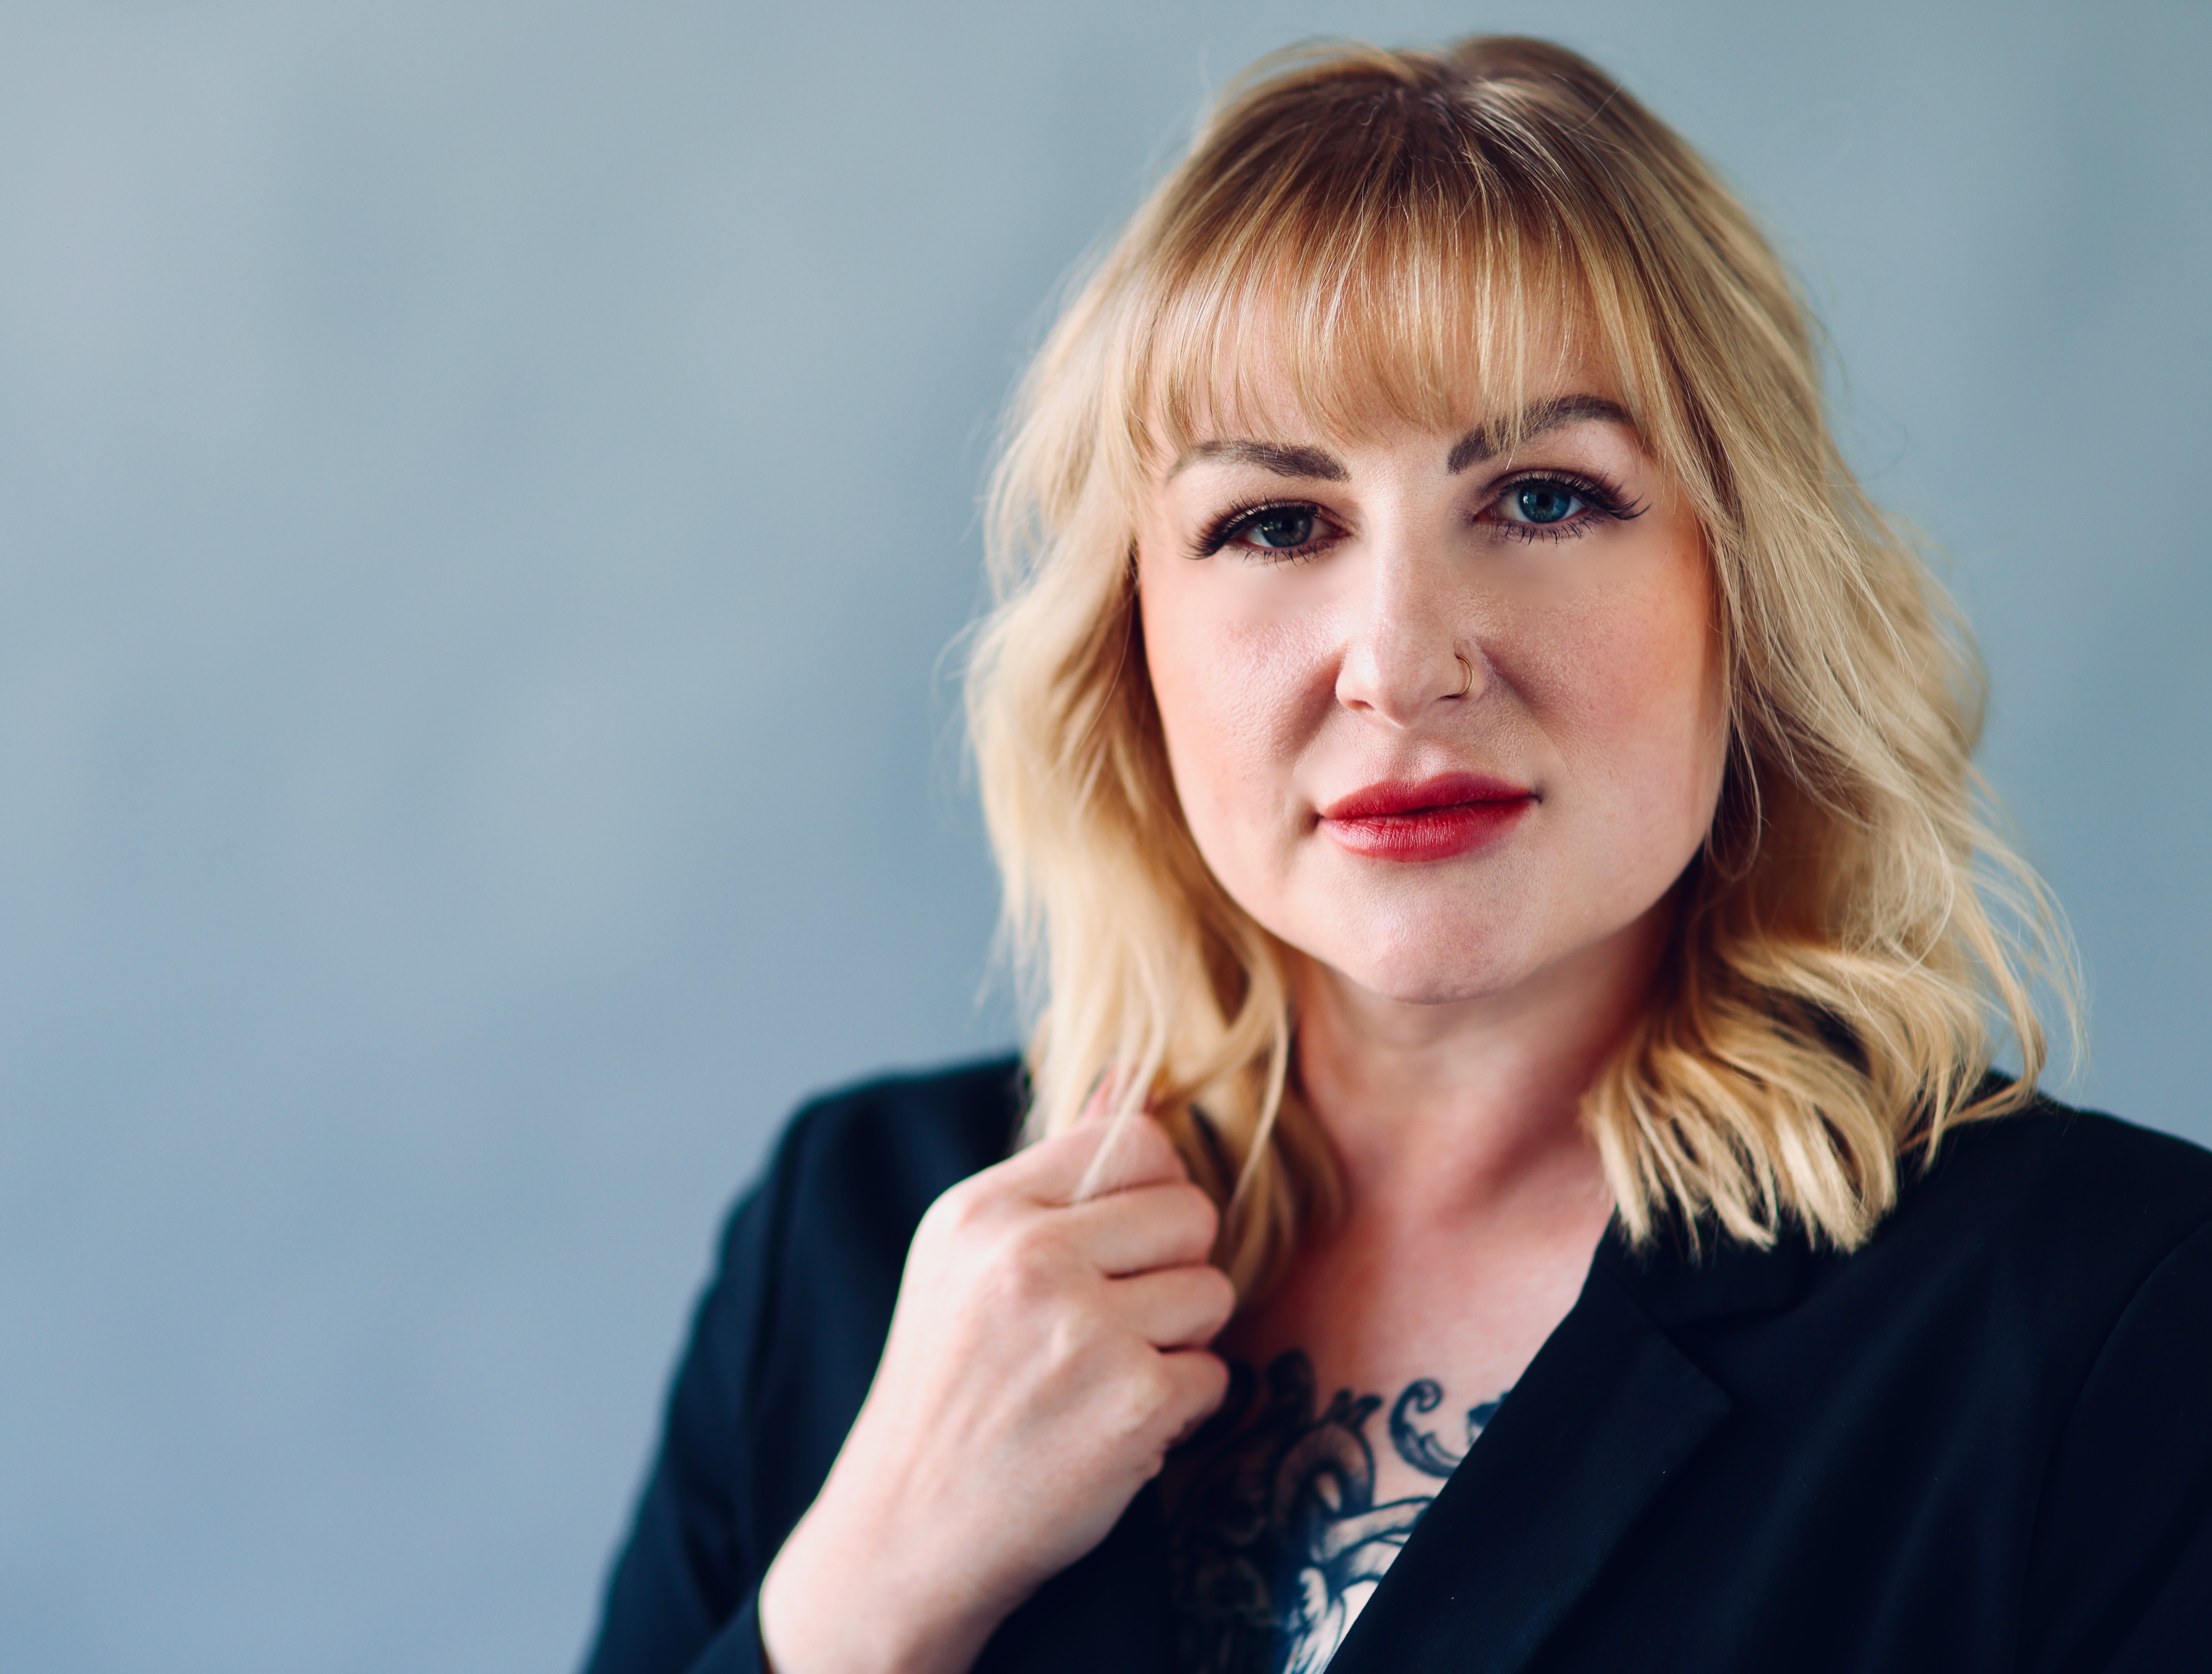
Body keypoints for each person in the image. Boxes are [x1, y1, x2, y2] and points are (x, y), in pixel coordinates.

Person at [581, 35, 2212, 1674]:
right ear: (1131, 643)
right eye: (1275, 523)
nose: (1401, 662)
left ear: (1748, 593)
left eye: (1545, 498)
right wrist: (865, 1592)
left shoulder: (2114, 1322)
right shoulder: (846, 1241)